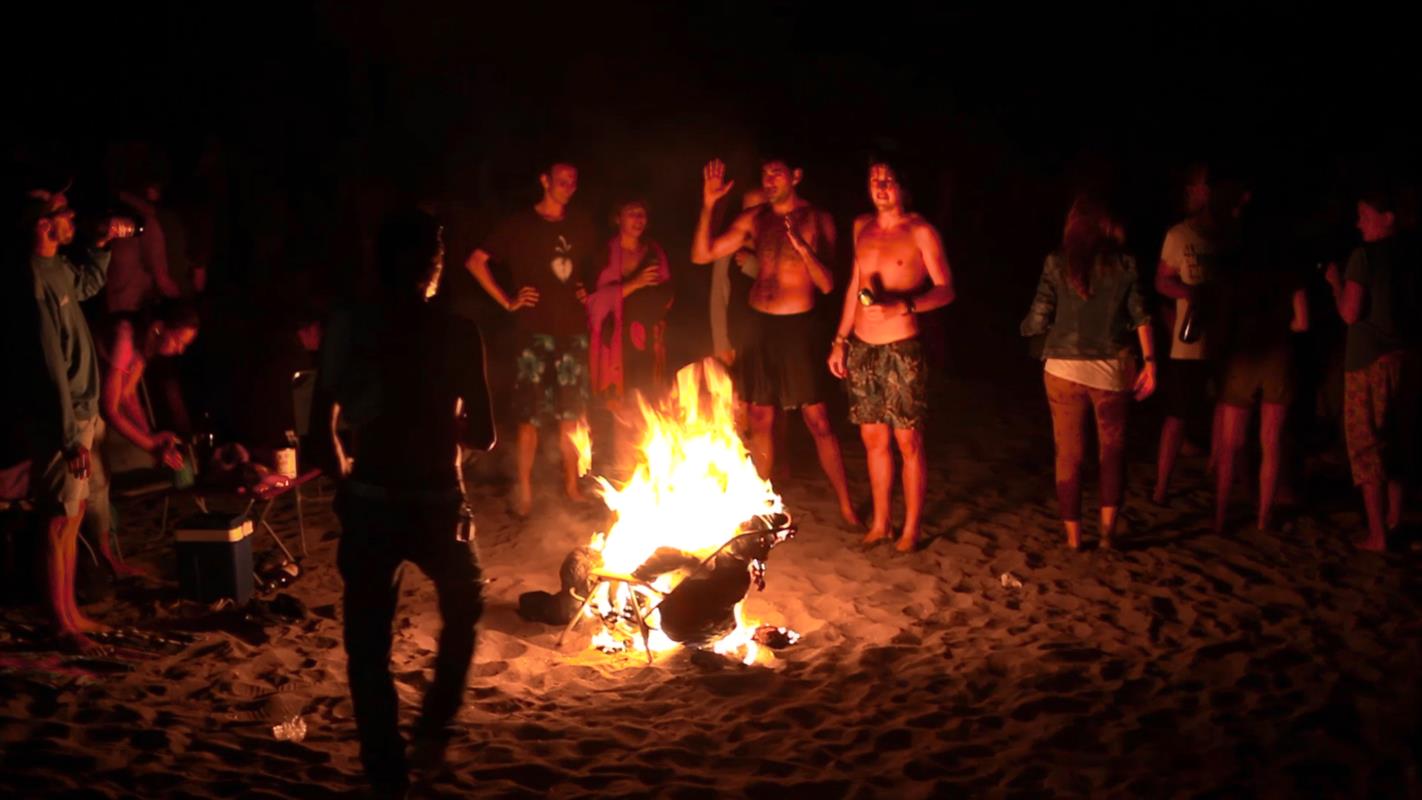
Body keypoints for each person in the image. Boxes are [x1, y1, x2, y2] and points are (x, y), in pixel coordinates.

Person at [321, 209, 495, 795]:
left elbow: (323, 410)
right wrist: (448, 419)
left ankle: (384, 763)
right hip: (437, 500)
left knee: (367, 637)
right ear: (435, 267)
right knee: (465, 610)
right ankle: (432, 731)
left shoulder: (353, 323)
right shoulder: (458, 331)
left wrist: (341, 476)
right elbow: (486, 434)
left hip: (370, 496)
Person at [691, 157, 859, 528]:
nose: (768, 180)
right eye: (764, 173)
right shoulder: (757, 217)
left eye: (777, 173)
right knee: (760, 416)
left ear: (797, 176)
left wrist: (802, 248)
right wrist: (708, 204)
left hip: (797, 328)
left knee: (817, 419)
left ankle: (847, 506)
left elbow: (830, 284)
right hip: (760, 326)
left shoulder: (817, 218)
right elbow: (702, 254)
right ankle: (757, 507)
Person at [22, 188, 133, 651]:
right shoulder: (32, 280)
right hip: (64, 420)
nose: (73, 217)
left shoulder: (57, 270)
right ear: (44, 224)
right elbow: (50, 366)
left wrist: (102, 246)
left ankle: (70, 612)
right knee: (58, 520)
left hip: (82, 412)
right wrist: (69, 436)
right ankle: (59, 622)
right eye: (65, 212)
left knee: (75, 512)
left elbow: (87, 284)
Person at [827, 162, 955, 552]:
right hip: (864, 346)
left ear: (903, 186)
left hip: (902, 346)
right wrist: (840, 339)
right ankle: (881, 522)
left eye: (888, 181)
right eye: (873, 180)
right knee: (873, 439)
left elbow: (946, 289)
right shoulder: (860, 227)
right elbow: (854, 285)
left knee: (908, 441)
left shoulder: (920, 231)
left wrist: (908, 305)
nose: (880, 187)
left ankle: (910, 529)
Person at [1021, 196, 1157, 549]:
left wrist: (1026, 329)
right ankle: (1107, 534)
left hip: (1062, 370)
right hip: (1111, 370)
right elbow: (1141, 315)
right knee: (1112, 452)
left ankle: (1073, 537)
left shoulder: (1056, 262)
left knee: (1068, 454)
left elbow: (1038, 317)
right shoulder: (1125, 264)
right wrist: (1151, 362)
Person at [465, 161, 597, 515]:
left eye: (573, 181)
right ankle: (523, 489)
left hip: (572, 331)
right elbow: (476, 262)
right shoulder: (519, 225)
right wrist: (508, 300)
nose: (569, 186)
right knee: (530, 417)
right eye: (562, 180)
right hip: (533, 334)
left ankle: (572, 487)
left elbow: (583, 271)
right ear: (544, 181)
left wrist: (586, 290)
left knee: (570, 415)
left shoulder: (580, 225)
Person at [1324, 189, 1419, 551]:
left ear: (1388, 216)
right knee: (1398, 442)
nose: (1358, 222)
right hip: (1406, 359)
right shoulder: (1410, 256)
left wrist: (1335, 284)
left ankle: (1377, 533)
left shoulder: (1363, 257)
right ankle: (1394, 520)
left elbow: (1350, 313)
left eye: (1364, 214)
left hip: (1367, 363)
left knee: (1367, 446)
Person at [1211, 199, 1309, 533]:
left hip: (1244, 354)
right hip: (1277, 356)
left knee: (1230, 444)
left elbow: (1223, 318)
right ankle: (1263, 517)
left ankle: (1221, 515)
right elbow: (1303, 322)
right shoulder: (1290, 267)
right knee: (1271, 441)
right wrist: (1283, 326)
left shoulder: (1235, 264)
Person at [93, 301, 200, 576]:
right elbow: (110, 406)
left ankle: (105, 559)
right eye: (179, 341)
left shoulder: (142, 346)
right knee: (95, 484)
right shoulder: (124, 334)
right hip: (79, 414)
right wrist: (149, 444)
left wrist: (152, 436)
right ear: (158, 328)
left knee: (99, 483)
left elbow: (129, 396)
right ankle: (102, 561)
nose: (180, 350)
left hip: (94, 418)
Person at [1151, 164, 1222, 504]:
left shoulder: (1225, 235)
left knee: (1223, 412)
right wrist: (1188, 293)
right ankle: (1161, 486)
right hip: (1187, 342)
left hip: (1222, 339)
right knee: (1177, 415)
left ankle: (1218, 482)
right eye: (1200, 185)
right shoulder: (1180, 236)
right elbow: (1161, 280)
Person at [587, 199, 674, 404]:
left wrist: (659, 316)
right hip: (615, 338)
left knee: (647, 400)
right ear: (618, 218)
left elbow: (668, 291)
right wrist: (635, 283)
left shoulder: (654, 251)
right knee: (619, 403)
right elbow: (594, 301)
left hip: (647, 337)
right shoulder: (604, 254)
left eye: (642, 213)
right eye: (631, 213)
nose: (638, 219)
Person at [104, 181, 181, 314]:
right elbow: (162, 278)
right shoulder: (146, 223)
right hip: (126, 306)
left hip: (120, 304)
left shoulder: (122, 218)